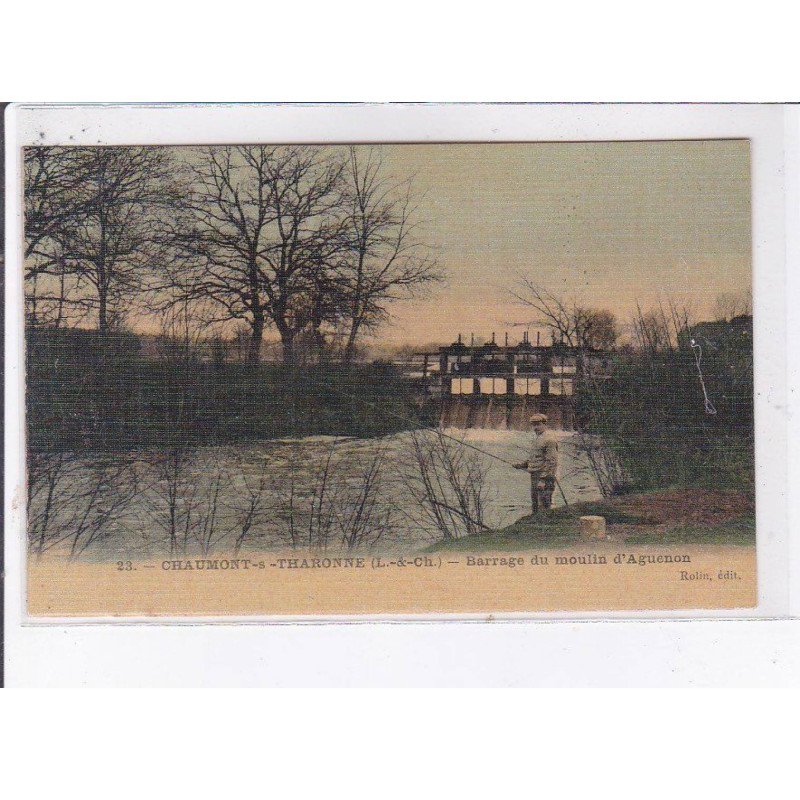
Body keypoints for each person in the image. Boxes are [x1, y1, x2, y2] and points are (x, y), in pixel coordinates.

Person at [513, 413, 559, 513]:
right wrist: (522, 465)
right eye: (534, 425)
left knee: (544, 506)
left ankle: (545, 522)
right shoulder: (538, 439)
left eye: (538, 424)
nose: (535, 427)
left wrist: (543, 480)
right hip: (535, 476)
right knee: (535, 505)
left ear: (545, 424)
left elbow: (552, 462)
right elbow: (536, 458)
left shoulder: (549, 440)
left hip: (544, 477)